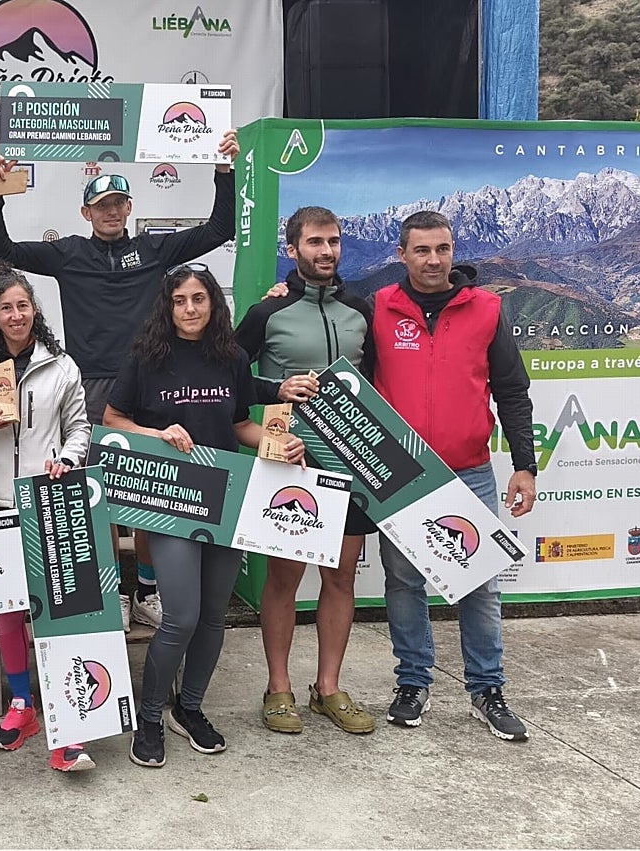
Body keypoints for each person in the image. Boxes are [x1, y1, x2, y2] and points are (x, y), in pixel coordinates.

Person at [0, 130, 241, 630]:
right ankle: (110, 591)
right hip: (89, 387)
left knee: (150, 493)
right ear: (86, 212)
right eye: (102, 205)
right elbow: (3, 248)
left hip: (149, 381)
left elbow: (218, 229)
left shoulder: (153, 250)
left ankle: (144, 587)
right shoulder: (69, 253)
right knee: (96, 493)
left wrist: (223, 171)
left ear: (129, 208)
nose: (111, 212)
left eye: (119, 203)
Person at [103, 264, 305, 768]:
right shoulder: (147, 357)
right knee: (183, 616)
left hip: (226, 500)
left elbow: (239, 425)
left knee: (214, 618)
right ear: (166, 306)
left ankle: (188, 708)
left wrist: (278, 444)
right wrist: (159, 434)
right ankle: (149, 716)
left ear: (213, 302)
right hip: (170, 501)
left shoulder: (231, 357)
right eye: (179, 300)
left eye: (198, 298)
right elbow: (112, 420)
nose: (190, 309)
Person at [369, 211, 536, 741]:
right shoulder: (377, 306)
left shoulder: (485, 308)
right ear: (402, 254)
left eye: (442, 249)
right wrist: (288, 289)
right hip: (401, 472)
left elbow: (511, 392)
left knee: (480, 584)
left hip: (470, 469)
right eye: (421, 251)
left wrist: (525, 465)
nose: (434, 260)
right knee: (403, 581)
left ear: (452, 250)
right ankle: (412, 682)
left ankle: (486, 689)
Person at [234, 206, 377, 736]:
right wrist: (275, 390)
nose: (327, 252)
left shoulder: (360, 310)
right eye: (315, 242)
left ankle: (329, 688)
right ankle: (278, 689)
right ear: (292, 250)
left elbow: (377, 385)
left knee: (340, 578)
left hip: (353, 462)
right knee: (285, 579)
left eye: (334, 241)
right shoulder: (265, 314)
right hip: (284, 463)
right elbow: (224, 382)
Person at [0, 264, 94, 771]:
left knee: (54, 610)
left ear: (35, 312)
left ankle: (69, 721)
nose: (16, 315)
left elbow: (80, 428)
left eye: (23, 306)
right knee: (9, 612)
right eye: (7, 308)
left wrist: (68, 460)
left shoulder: (61, 366)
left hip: (50, 500)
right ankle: (21, 707)